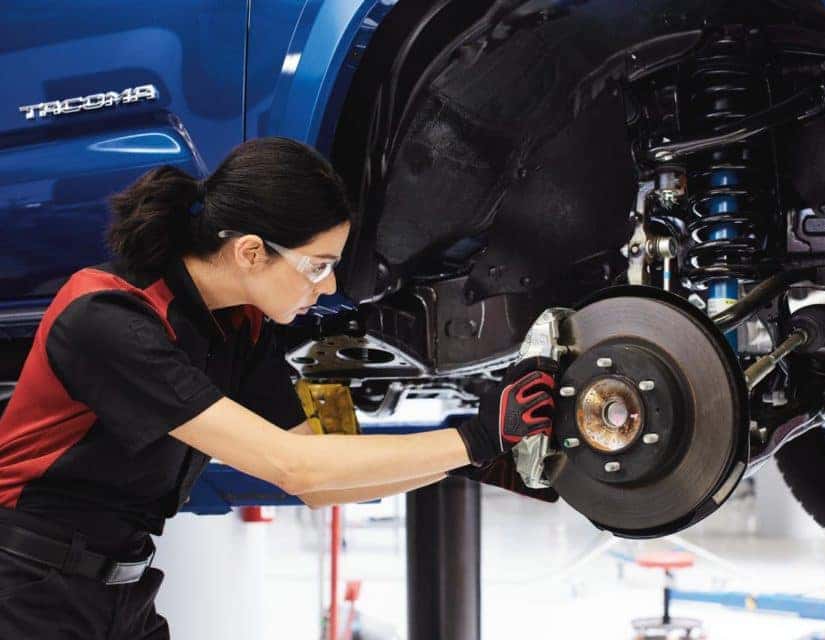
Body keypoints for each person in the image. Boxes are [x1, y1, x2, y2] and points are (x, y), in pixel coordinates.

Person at [0, 137, 558, 638]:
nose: (331, 285)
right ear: (250, 251)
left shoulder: (241, 327)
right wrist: (474, 438)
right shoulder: (109, 318)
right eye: (318, 266)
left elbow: (326, 470)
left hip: (119, 592)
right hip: (27, 588)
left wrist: (471, 458)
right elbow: (295, 467)